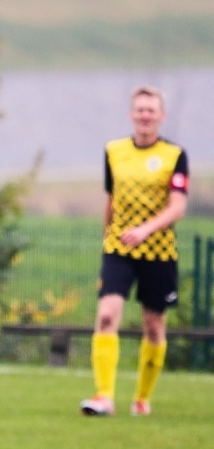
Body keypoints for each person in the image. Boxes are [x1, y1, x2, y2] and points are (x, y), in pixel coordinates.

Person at [81, 85, 189, 417]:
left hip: (158, 252)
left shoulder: (174, 156)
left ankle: (141, 398)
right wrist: (106, 238)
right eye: (140, 109)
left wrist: (145, 230)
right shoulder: (114, 151)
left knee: (154, 325)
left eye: (150, 110)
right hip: (119, 248)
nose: (145, 115)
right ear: (131, 114)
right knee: (106, 315)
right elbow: (111, 198)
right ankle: (103, 397)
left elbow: (178, 206)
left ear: (161, 116)